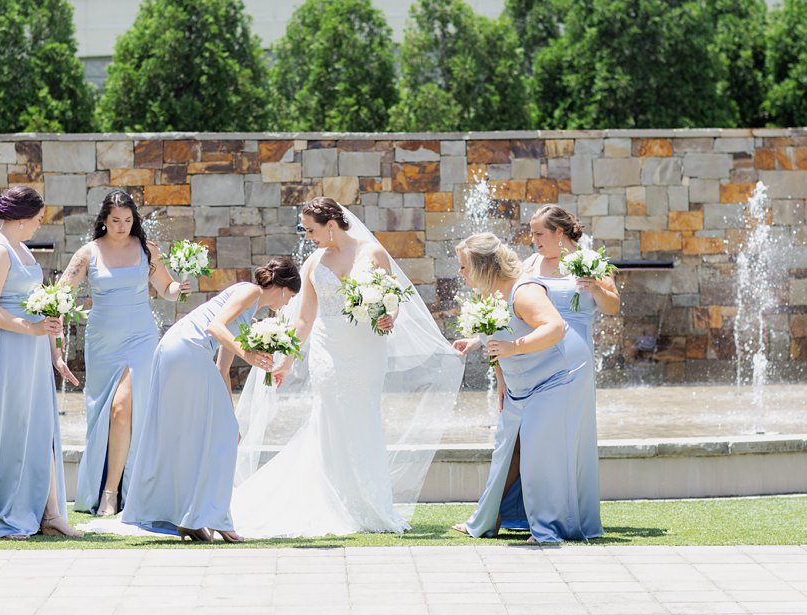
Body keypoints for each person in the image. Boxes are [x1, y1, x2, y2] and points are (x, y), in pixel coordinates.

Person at [231, 197, 464, 538]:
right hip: (328, 349)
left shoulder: (373, 254)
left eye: (311, 229)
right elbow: (305, 319)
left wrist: (390, 316)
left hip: (367, 348)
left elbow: (394, 299)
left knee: (363, 415)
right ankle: (331, 499)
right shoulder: (314, 262)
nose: (308, 236)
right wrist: (286, 361)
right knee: (328, 417)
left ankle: (370, 503)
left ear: (330, 225)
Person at [121, 257, 301, 542]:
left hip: (177, 350)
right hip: (187, 349)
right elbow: (215, 326)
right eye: (291, 297)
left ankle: (192, 518)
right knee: (215, 436)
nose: (288, 304)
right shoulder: (250, 291)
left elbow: (222, 370)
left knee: (201, 434)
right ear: (282, 288)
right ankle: (215, 518)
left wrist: (230, 419)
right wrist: (251, 355)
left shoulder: (248, 312)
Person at [451, 232, 596, 543]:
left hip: (559, 374)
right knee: (508, 447)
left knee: (539, 447)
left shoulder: (524, 291)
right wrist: (502, 379)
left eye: (464, 266)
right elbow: (495, 340)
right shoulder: (488, 295)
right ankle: (491, 517)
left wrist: (513, 349)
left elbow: (554, 328)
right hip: (521, 380)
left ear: (482, 266)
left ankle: (548, 526)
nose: (461, 273)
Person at [0, 185, 80, 539]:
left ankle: (51, 513)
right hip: (4, 348)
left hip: (32, 348)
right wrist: (30, 328)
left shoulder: (21, 248)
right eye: (38, 219)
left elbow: (40, 303)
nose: (40, 225)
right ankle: (5, 515)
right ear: (22, 217)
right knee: (10, 428)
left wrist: (54, 350)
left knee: (40, 425)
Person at [57, 189, 191, 517]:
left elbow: (166, 290)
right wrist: (55, 345)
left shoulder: (146, 249)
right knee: (103, 415)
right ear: (104, 220)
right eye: (116, 220)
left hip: (141, 339)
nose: (122, 226)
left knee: (123, 409)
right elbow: (59, 296)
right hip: (102, 343)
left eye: (128, 220)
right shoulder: (88, 253)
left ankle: (112, 492)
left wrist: (180, 286)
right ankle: (106, 486)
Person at [524, 204, 620, 538]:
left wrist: (594, 286)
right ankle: (536, 514)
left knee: (568, 435)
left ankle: (563, 519)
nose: (533, 239)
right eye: (532, 233)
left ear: (559, 233)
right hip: (536, 356)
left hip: (573, 356)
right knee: (537, 436)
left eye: (539, 233)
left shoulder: (592, 260)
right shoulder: (532, 263)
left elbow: (613, 306)